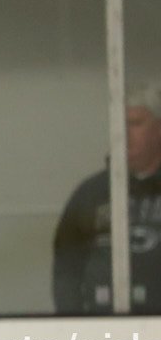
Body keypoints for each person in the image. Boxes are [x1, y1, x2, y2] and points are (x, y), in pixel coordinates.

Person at [52, 84, 161, 314]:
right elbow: (66, 269)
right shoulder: (90, 194)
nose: (125, 134)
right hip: (100, 326)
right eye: (119, 125)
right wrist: (74, 323)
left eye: (135, 123)